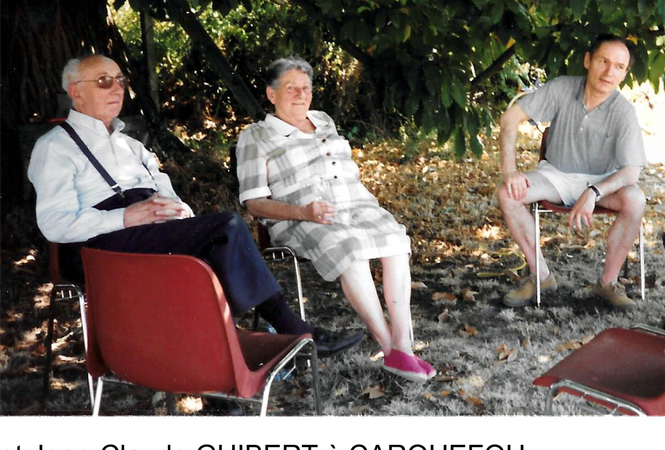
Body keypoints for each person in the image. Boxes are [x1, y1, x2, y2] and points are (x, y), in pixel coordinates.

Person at [29, 54, 355, 354]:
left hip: (151, 234)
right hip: (100, 248)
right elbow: (55, 223)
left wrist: (180, 210)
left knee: (215, 245)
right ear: (76, 92)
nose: (117, 88)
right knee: (226, 227)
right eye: (104, 81)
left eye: (121, 80)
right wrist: (125, 217)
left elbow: (168, 194)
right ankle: (292, 332)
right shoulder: (55, 147)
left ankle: (225, 363)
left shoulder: (131, 145)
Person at [237, 59, 434, 380]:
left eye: (306, 88)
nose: (301, 95)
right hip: (302, 216)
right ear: (271, 94)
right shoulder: (255, 137)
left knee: (397, 242)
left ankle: (404, 347)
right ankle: (390, 349)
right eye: (291, 88)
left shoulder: (323, 121)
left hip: (357, 206)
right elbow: (254, 203)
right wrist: (303, 212)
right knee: (350, 250)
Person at [494, 34, 647, 309]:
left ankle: (606, 284)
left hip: (602, 182)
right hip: (555, 175)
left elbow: (631, 173)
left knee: (635, 199)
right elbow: (509, 119)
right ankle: (541, 276)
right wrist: (510, 171)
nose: (609, 72)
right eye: (603, 61)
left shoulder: (623, 111)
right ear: (588, 60)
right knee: (508, 194)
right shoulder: (562, 88)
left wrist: (593, 192)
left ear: (625, 73)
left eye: (619, 67)